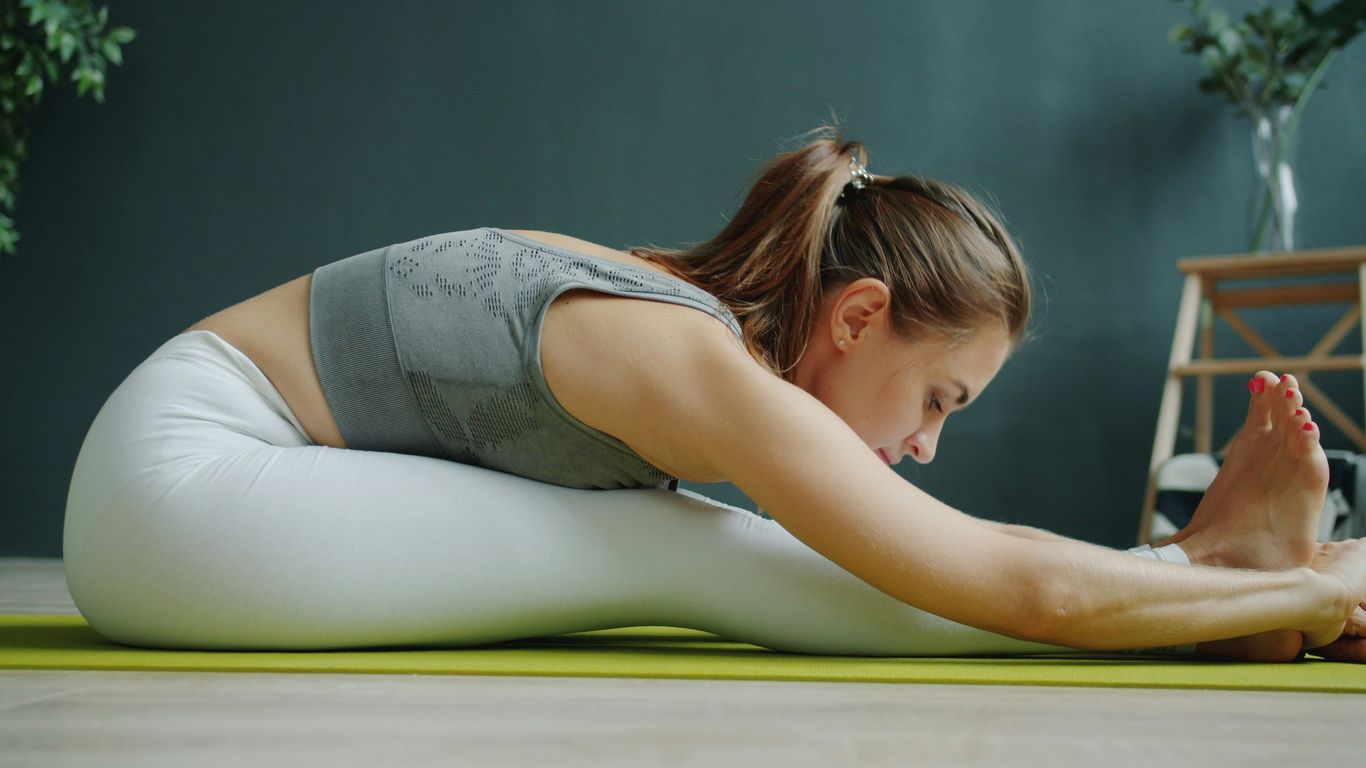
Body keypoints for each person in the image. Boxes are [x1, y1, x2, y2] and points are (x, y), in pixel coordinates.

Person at [62, 126, 1366, 661]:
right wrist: (1325, 587)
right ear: (857, 318)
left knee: (703, 547)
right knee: (685, 552)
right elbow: (1001, 579)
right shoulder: (688, 357)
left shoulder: (684, 324)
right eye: (937, 399)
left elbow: (973, 557)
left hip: (182, 491)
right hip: (180, 495)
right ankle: (1210, 580)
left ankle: (1198, 573)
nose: (919, 447)